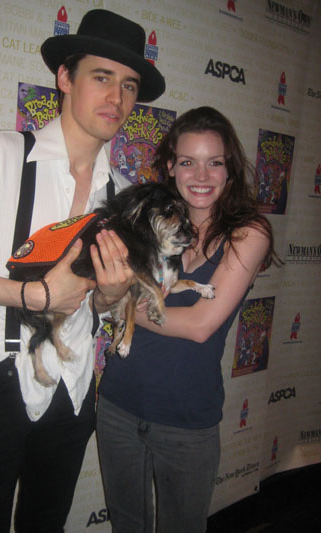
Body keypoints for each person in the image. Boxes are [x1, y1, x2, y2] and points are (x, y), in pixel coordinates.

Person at [0, 9, 165, 533]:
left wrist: (110, 296)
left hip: (74, 390)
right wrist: (34, 295)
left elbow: (95, 304)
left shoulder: (120, 194)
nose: (116, 99)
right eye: (101, 77)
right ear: (64, 77)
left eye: (128, 85)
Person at [96, 106, 276, 533]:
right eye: (188, 162)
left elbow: (199, 325)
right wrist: (115, 300)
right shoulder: (147, 227)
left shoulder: (247, 233)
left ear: (229, 171)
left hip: (185, 419)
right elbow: (101, 301)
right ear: (170, 167)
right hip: (118, 405)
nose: (201, 175)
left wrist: (130, 307)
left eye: (215, 163)